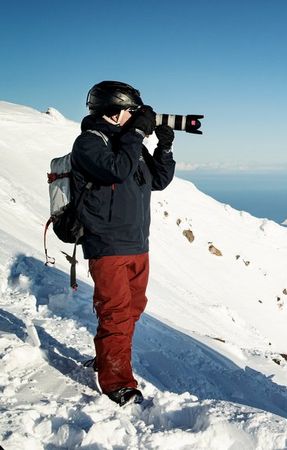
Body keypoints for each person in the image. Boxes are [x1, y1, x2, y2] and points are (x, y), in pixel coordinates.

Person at [71, 81, 176, 406]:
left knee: (131, 309)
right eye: (131, 111)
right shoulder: (90, 143)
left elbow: (157, 180)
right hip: (107, 244)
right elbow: (116, 170)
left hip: (136, 244)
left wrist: (164, 147)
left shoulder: (128, 144)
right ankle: (117, 383)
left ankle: (106, 359)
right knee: (116, 313)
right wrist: (137, 135)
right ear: (112, 111)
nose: (136, 117)